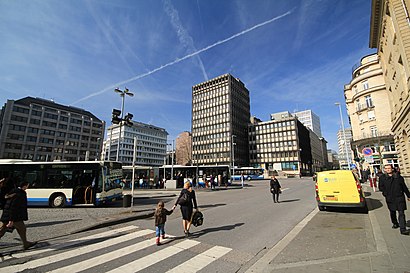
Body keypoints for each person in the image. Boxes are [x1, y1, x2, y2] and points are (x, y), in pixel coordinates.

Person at [0, 181, 37, 250]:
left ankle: (25, 243)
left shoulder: (14, 192)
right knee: (21, 229)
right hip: (14, 217)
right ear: (24, 186)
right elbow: (13, 207)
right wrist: (11, 220)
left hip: (8, 215)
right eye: (27, 186)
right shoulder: (20, 194)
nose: (27, 187)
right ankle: (25, 244)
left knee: (20, 229)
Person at [379, 164, 410, 235]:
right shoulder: (382, 178)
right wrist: (385, 194)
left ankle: (403, 229)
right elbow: (381, 187)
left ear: (392, 169)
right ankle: (395, 223)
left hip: (399, 197)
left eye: (389, 168)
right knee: (392, 211)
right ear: (384, 170)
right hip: (390, 198)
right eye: (386, 169)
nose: (388, 170)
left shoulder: (398, 177)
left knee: (401, 213)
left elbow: (404, 187)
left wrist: (408, 196)